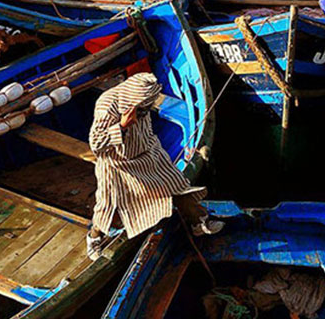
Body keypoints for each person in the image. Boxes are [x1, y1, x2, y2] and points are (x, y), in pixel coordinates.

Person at [86, 73, 223, 258]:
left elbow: (146, 128)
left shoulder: (144, 100)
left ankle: (198, 221)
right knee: (108, 205)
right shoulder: (108, 105)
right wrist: (122, 126)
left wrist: (153, 148)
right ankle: (94, 238)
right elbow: (96, 144)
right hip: (118, 165)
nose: (146, 110)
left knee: (175, 185)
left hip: (147, 153)